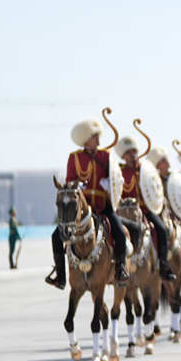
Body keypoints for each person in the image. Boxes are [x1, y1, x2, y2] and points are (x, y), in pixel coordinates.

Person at [47, 117, 132, 289]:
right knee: (56, 236)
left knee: (120, 233)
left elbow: (116, 179)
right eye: (95, 137)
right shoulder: (74, 158)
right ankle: (61, 276)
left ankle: (121, 269)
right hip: (82, 209)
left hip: (102, 206)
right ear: (86, 139)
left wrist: (110, 183)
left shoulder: (105, 156)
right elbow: (70, 181)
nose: (98, 140)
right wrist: (77, 185)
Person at [115, 134, 176, 283]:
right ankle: (118, 265)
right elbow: (116, 191)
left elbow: (156, 189)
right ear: (123, 156)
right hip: (126, 211)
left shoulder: (146, 170)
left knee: (161, 229)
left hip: (146, 210)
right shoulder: (119, 172)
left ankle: (163, 265)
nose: (133, 155)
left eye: (134, 151)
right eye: (129, 153)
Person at [146, 147, 181, 275]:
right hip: (158, 213)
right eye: (164, 161)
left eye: (166, 160)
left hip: (175, 213)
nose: (168, 163)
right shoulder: (153, 180)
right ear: (158, 165)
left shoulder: (174, 178)